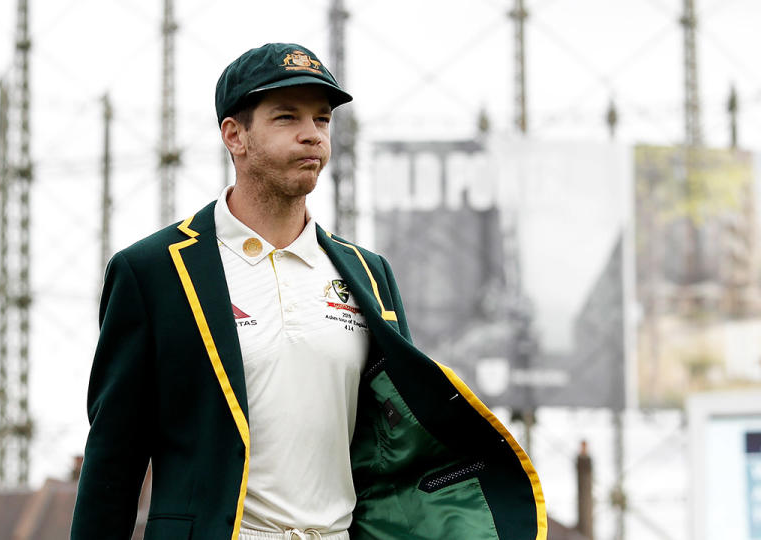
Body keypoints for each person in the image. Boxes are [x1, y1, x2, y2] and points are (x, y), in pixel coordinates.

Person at [71, 43, 546, 540]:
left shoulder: (370, 273)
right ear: (235, 136)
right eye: (286, 117)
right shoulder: (152, 270)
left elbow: (397, 443)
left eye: (322, 120)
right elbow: (114, 462)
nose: (311, 135)